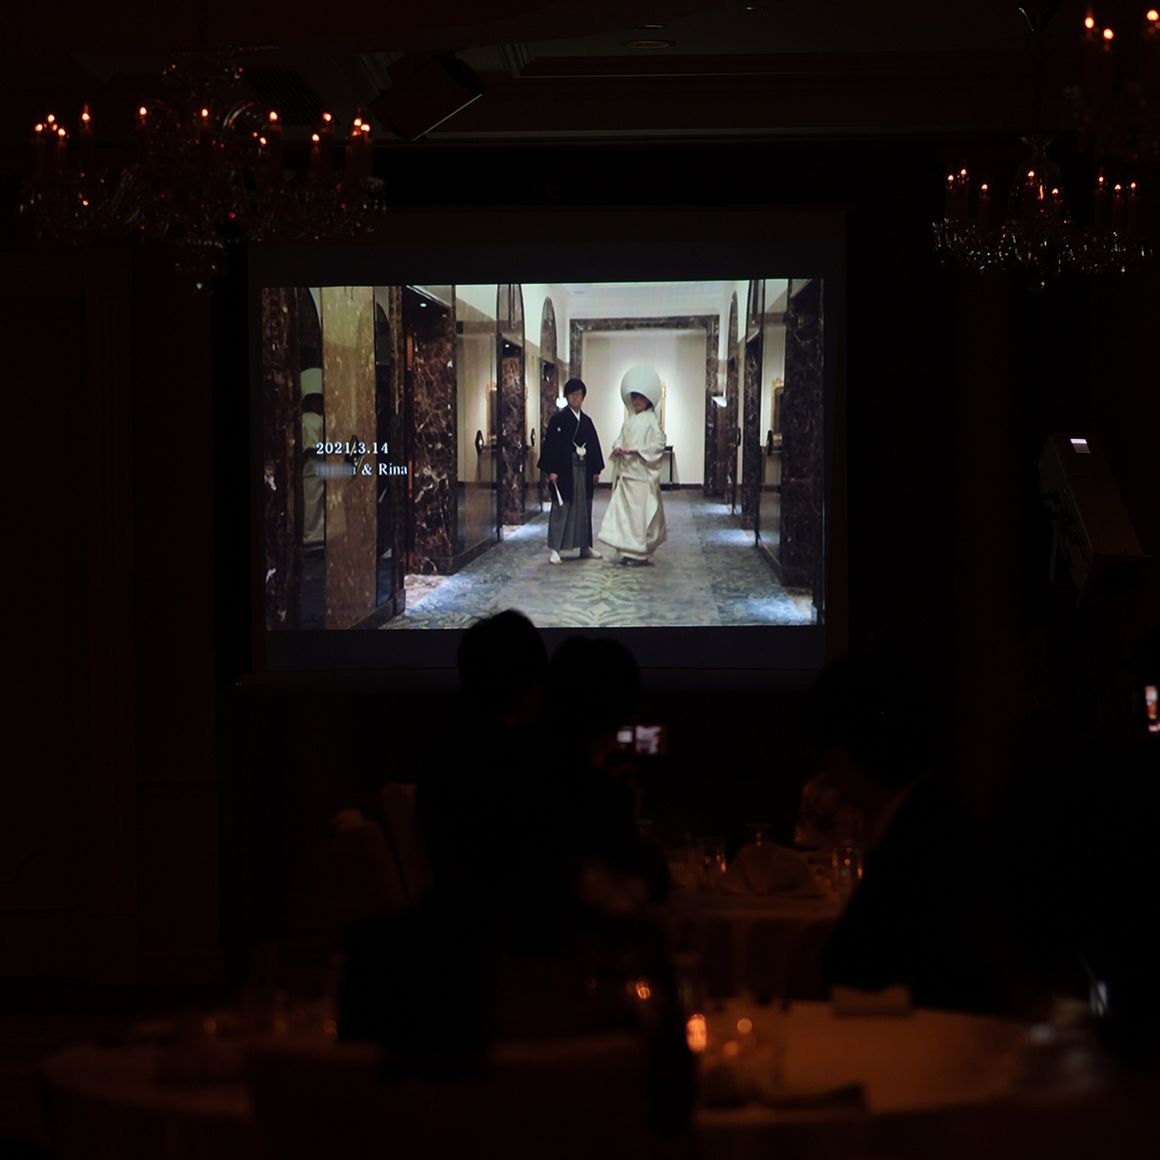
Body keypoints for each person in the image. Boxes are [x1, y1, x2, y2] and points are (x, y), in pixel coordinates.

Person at [598, 366, 667, 566]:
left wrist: (638, 451)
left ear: (648, 400)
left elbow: (659, 443)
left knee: (639, 516)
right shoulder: (629, 421)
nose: (637, 402)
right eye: (634, 398)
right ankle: (627, 550)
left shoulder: (651, 420)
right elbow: (620, 439)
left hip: (641, 476)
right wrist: (618, 448)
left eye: (641, 398)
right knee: (625, 515)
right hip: (627, 475)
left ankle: (639, 552)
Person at [537, 378, 605, 565]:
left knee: (584, 508)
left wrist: (596, 469)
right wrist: (552, 470)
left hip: (583, 470)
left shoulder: (587, 421)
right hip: (565, 470)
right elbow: (551, 447)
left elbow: (594, 446)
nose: (576, 398)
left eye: (579, 394)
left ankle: (585, 546)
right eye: (572, 394)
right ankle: (555, 548)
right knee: (562, 508)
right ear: (567, 397)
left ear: (583, 397)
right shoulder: (557, 420)